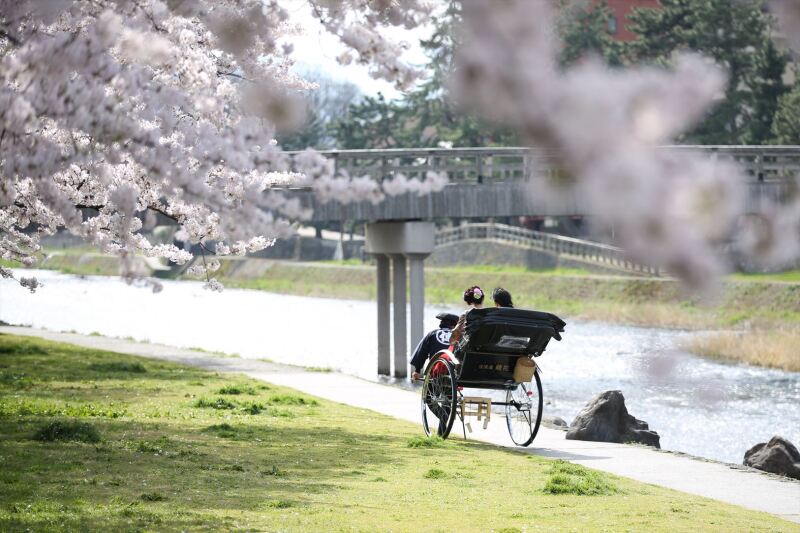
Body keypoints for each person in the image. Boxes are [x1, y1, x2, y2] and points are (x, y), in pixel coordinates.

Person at [410, 312, 459, 381]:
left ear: (442, 324)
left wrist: (417, 370)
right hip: (453, 370)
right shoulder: (458, 336)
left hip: (435, 369)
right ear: (454, 325)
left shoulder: (432, 334)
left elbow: (422, 352)